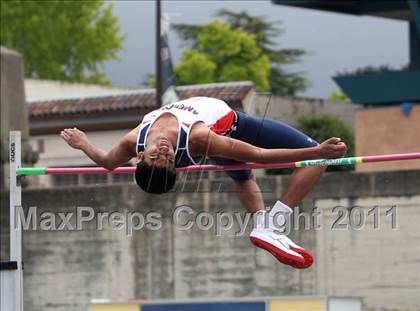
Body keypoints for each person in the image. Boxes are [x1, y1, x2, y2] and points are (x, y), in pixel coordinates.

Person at [61, 96, 347, 269]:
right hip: (238, 129)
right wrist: (316, 151)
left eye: (156, 155)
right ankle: (272, 225)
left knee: (244, 177)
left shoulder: (131, 140)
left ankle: (263, 226)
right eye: (167, 158)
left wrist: (83, 143)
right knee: (316, 163)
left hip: (220, 144)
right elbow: (259, 154)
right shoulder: (196, 137)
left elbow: (108, 162)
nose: (163, 150)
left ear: (139, 155)